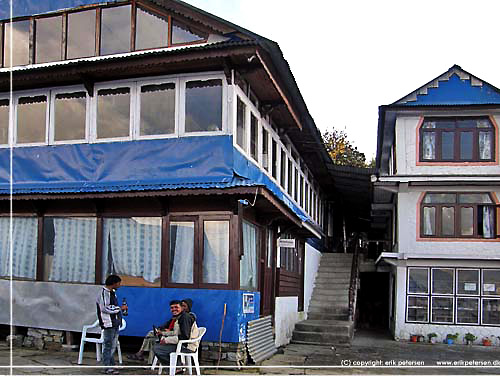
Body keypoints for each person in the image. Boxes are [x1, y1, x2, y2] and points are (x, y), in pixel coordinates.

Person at [153, 300, 199, 373]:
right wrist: (163, 333)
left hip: (187, 346)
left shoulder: (185, 318)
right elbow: (175, 332)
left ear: (181, 308)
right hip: (181, 344)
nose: (174, 309)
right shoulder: (178, 317)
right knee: (158, 345)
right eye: (172, 308)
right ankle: (177, 366)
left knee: (157, 348)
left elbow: (184, 337)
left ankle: (174, 369)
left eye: (176, 307)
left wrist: (166, 340)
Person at [96, 275, 123, 375]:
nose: (120, 285)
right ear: (114, 283)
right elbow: (104, 308)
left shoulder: (113, 293)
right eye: (119, 283)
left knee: (113, 345)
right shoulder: (104, 293)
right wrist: (119, 309)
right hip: (108, 323)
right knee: (108, 345)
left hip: (115, 323)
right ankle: (106, 367)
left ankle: (111, 364)